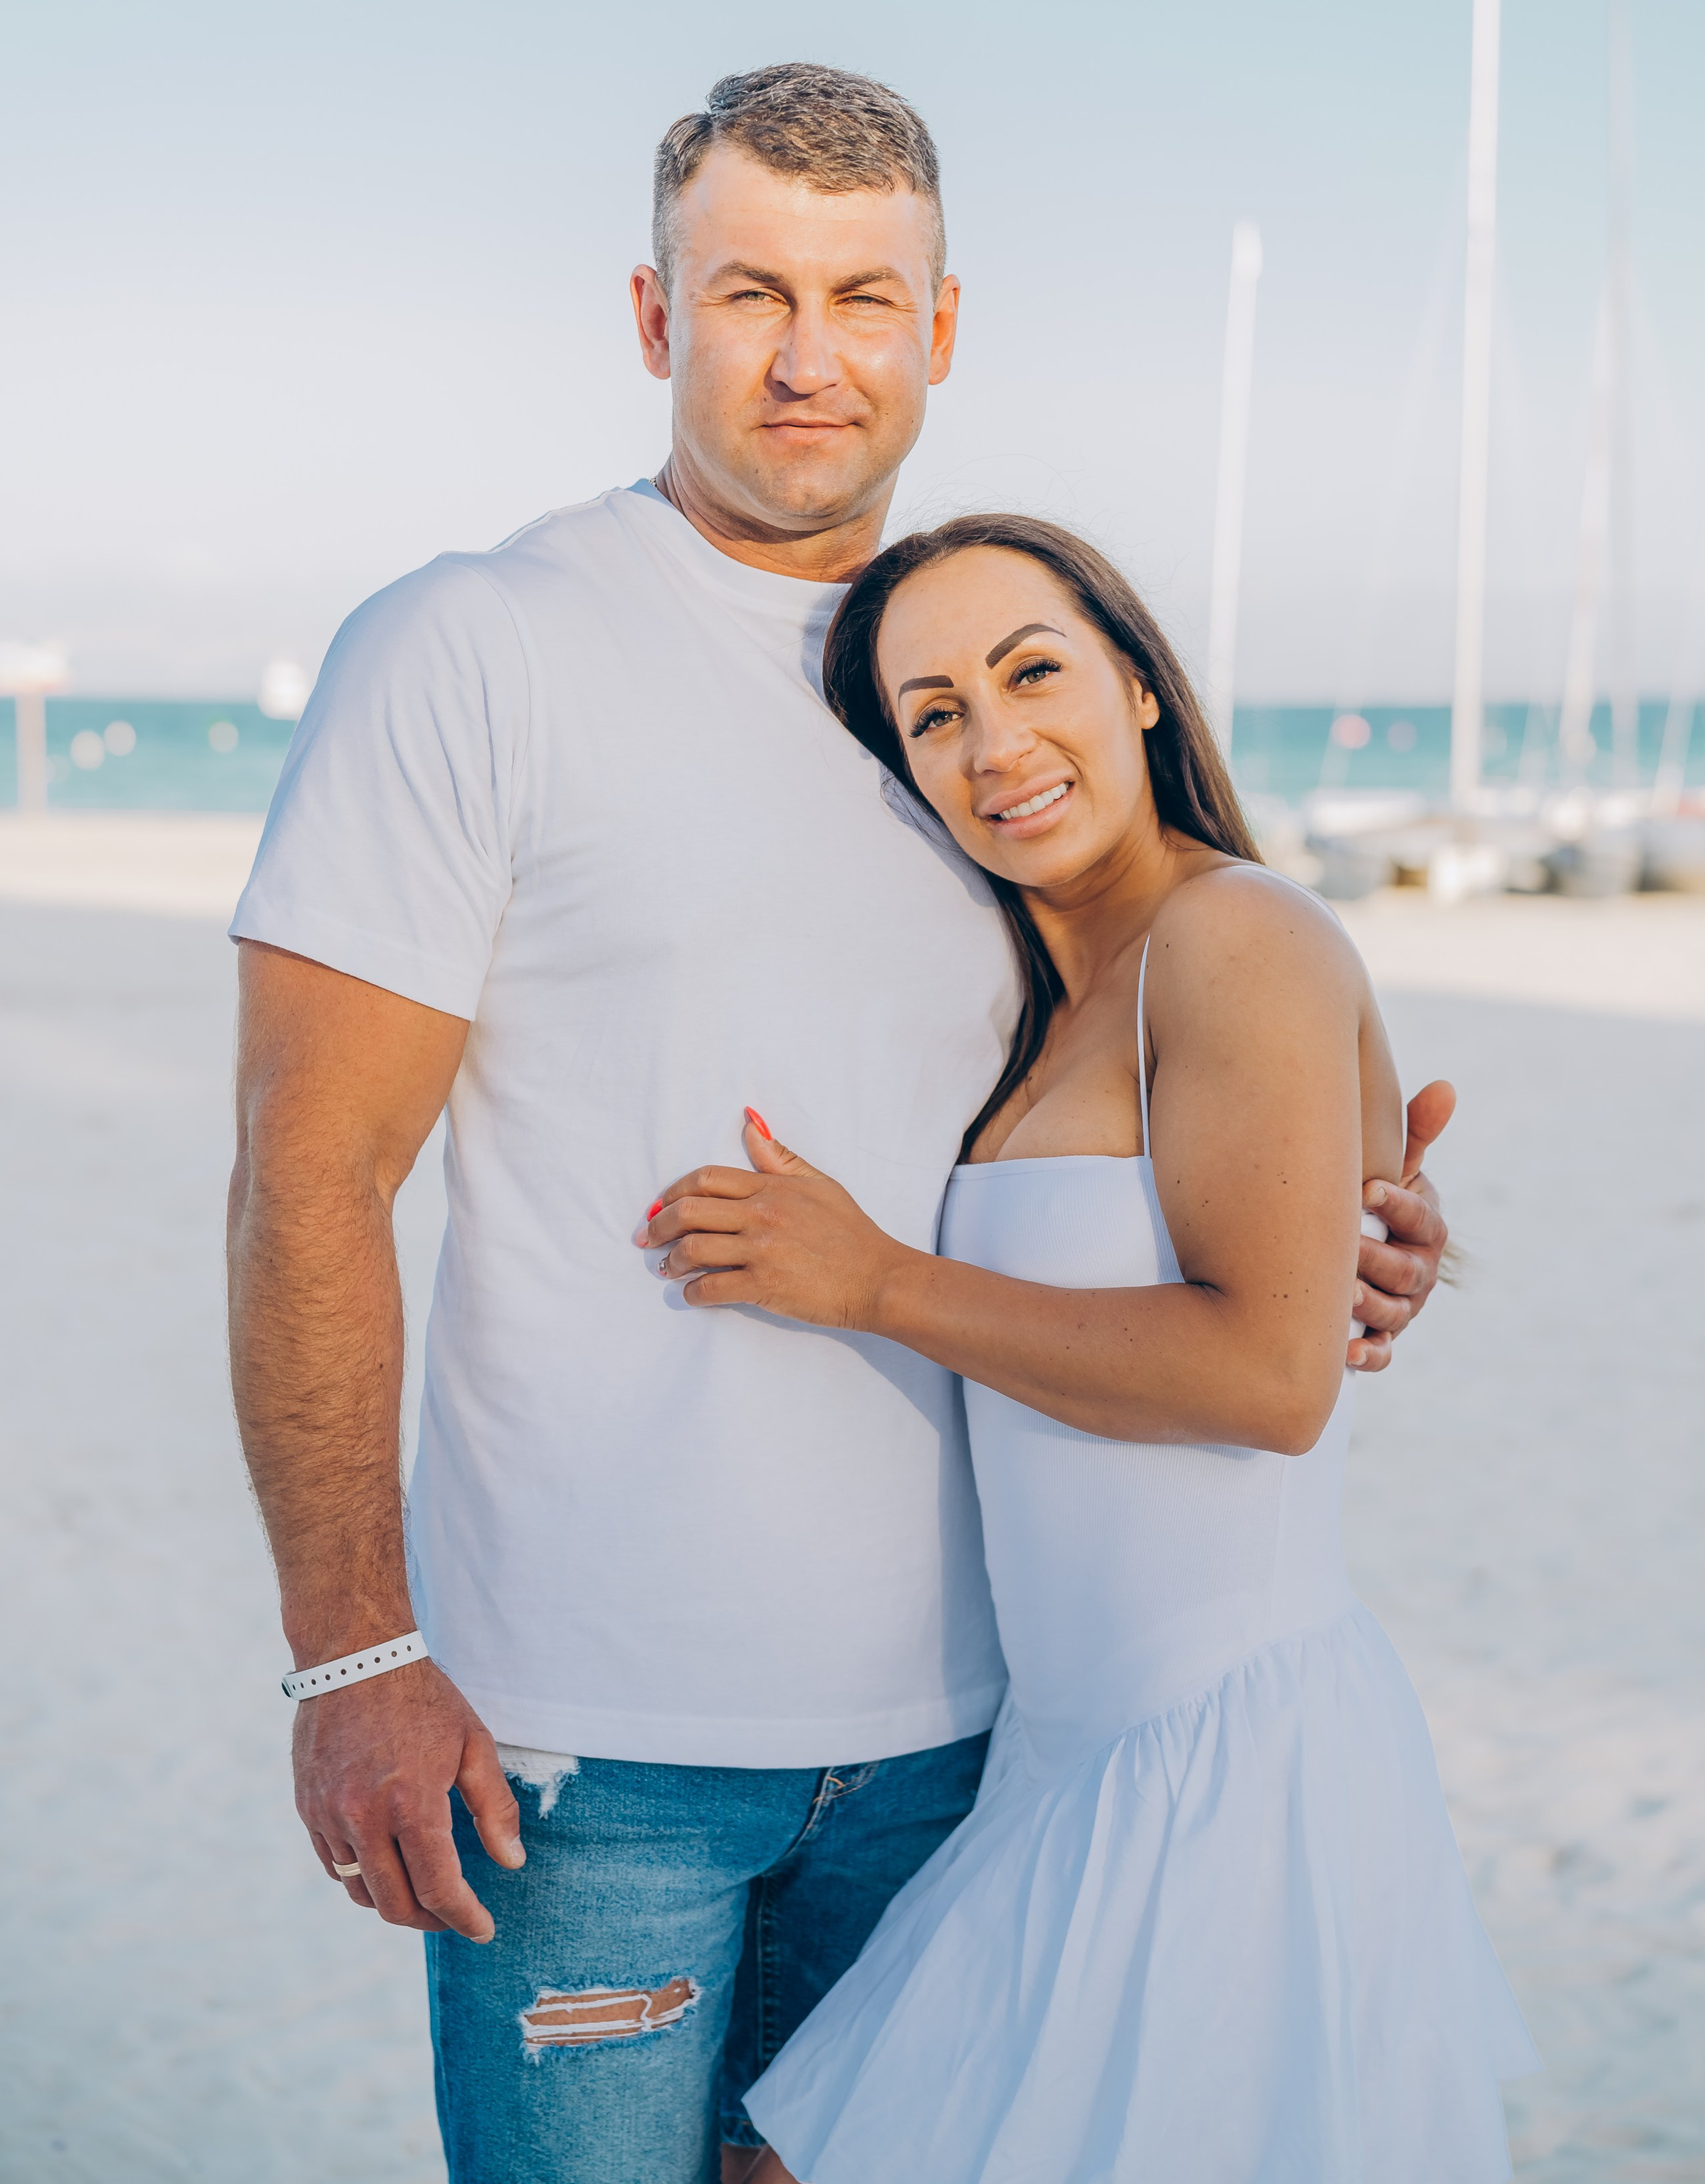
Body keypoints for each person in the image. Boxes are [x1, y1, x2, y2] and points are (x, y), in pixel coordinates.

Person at [225, 64, 1451, 2184]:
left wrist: (1359, 1209)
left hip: (983, 1744)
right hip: (593, 1753)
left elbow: (1169, 1058)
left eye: (867, 297)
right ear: (652, 316)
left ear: (944, 328)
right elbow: (306, 1176)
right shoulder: (477, 648)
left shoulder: (981, 705)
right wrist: (353, 1645)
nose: (811, 356)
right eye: (749, 294)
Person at [641, 514, 1536, 2181]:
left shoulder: (1233, 933)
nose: (994, 743)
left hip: (1209, 1768)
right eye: (931, 713)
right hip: (1057, 1760)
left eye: (1029, 672)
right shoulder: (1048, 988)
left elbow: (1268, 1382)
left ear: (1133, 683)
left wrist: (875, 1284)